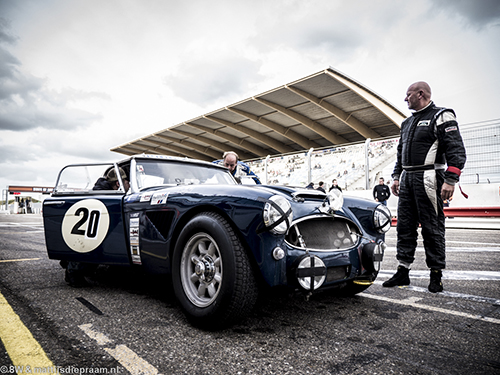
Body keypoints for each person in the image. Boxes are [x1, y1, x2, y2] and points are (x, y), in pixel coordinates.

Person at [383, 81, 466, 293]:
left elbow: (456, 149)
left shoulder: (442, 115)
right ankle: (403, 272)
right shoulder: (407, 123)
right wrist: (395, 177)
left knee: (432, 227)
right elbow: (401, 153)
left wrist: (450, 180)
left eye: (408, 94)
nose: (405, 99)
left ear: (420, 94)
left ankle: (436, 275)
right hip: (408, 178)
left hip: (430, 176)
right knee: (404, 227)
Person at [64, 167, 130, 287]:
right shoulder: (107, 196)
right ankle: (73, 272)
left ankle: (72, 267)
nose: (129, 184)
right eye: (127, 181)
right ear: (118, 183)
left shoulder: (99, 191)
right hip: (89, 239)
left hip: (82, 238)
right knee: (96, 242)